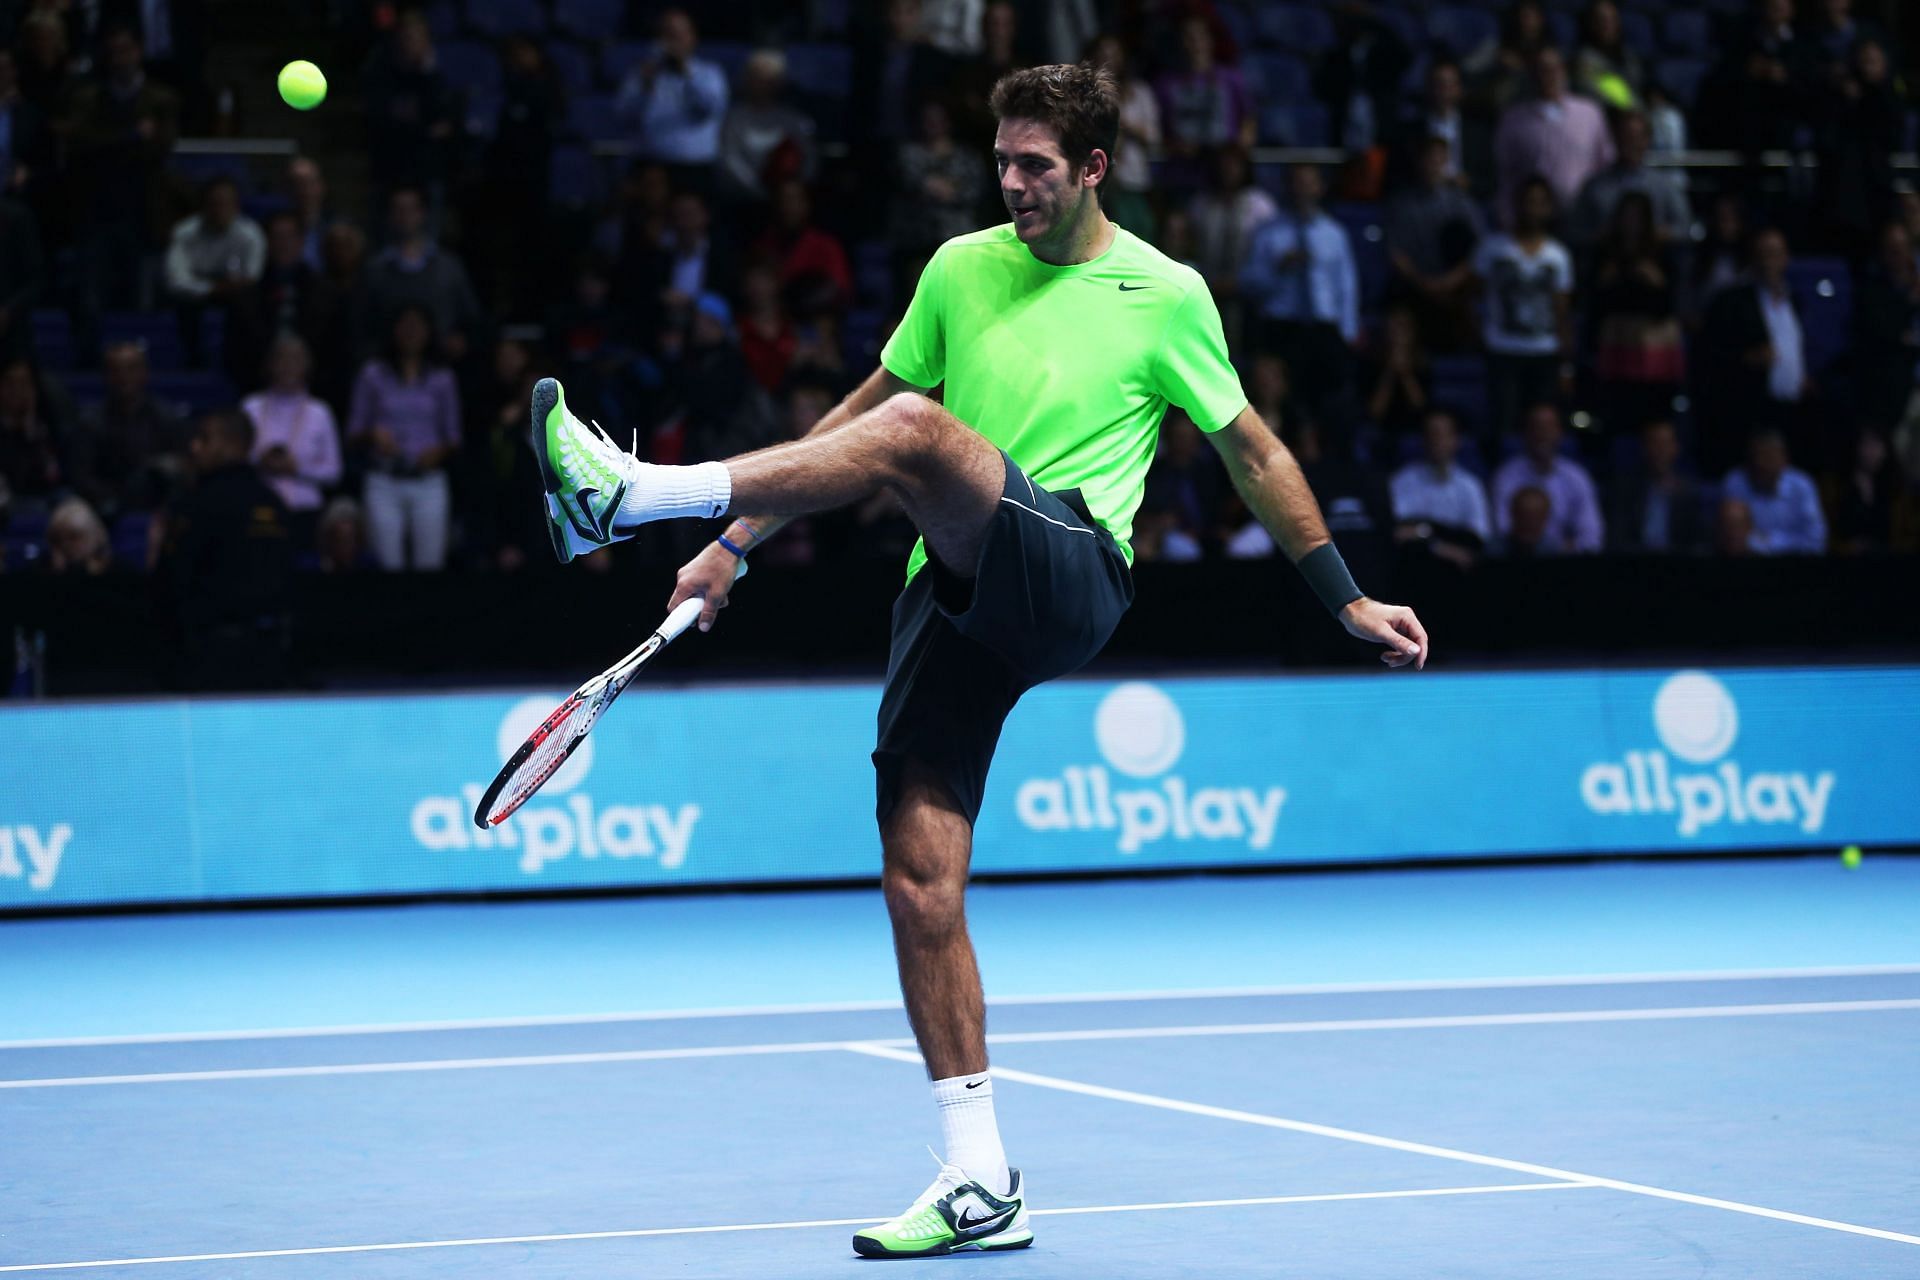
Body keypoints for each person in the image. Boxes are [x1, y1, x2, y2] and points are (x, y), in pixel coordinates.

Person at [522, 62, 1428, 1258]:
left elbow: (1252, 449)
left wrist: (1345, 596)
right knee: (919, 880)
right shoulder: (960, 268)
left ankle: (631, 495)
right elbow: (863, 407)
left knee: (917, 437)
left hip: (1070, 570)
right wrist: (736, 543)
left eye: (1037, 166)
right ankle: (978, 1179)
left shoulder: (1164, 293)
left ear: (1095, 168)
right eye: (1001, 161)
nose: (1012, 184)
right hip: (951, 593)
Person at [156, 412, 292, 690]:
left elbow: (171, 580)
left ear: (235, 445)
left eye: (204, 439)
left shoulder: (195, 505)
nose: (194, 447)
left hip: (208, 658)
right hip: (271, 657)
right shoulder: (274, 502)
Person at [1240, 165, 1360, 435]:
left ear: (1320, 187)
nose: (1303, 189)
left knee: (1329, 397)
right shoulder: (1268, 232)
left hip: (1324, 326)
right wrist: (1277, 270)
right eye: (1298, 183)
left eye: (1310, 183)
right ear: (1288, 187)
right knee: (1281, 397)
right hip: (1282, 325)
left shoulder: (1334, 234)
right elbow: (1249, 281)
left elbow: (1346, 286)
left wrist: (1348, 332)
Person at [347, 305, 460, 571]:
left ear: (429, 332)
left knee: (430, 565)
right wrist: (372, 435)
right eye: (405, 324)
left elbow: (454, 437)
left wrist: (440, 451)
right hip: (384, 480)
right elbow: (352, 433)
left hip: (428, 480)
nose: (411, 332)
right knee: (387, 566)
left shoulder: (442, 378)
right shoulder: (372, 374)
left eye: (417, 325)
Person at [1473, 176, 1575, 441]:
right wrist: (1479, 335)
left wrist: (1565, 365)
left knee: (1542, 427)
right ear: (1518, 205)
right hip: (1502, 349)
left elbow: (1562, 311)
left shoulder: (1558, 255)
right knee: (1503, 426)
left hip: (1544, 351)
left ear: (1549, 208)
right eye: (1529, 201)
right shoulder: (1493, 248)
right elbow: (1471, 295)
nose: (1534, 209)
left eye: (1541, 202)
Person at [1697, 227, 1807, 471]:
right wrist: (1745, 358)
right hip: (1749, 412)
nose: (1769, 261)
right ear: (1753, 259)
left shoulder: (1795, 301)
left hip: (1790, 410)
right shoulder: (1732, 302)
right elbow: (1709, 354)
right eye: (1763, 254)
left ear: (1786, 257)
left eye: (1775, 253)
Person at [1588, 192, 1685, 432]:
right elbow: (1592, 303)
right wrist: (1605, 280)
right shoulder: (1606, 253)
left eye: (1637, 217)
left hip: (1653, 344)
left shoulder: (1662, 254)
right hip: (1617, 343)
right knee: (1617, 412)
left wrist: (1656, 280)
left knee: (1654, 414)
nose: (1632, 223)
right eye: (1627, 216)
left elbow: (1673, 303)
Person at [1385, 135, 1485, 352]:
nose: (1433, 165)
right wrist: (1424, 283)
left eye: (1439, 160)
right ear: (1419, 162)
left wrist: (1449, 282)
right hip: (1415, 289)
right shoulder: (1401, 204)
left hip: (1454, 292)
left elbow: (1479, 251)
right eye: (1429, 159)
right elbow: (1396, 253)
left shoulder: (1462, 203)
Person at [362, 185, 482, 366]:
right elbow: (363, 325)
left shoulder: (449, 267)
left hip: (442, 368)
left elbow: (470, 318)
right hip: (388, 371)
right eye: (399, 209)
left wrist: (461, 340)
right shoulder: (375, 270)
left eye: (411, 209)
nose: (405, 216)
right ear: (390, 215)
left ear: (422, 213)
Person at [67, 340, 187, 517]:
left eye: (131, 369)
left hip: (159, 506)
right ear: (105, 376)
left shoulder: (168, 419)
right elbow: (81, 477)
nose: (124, 377)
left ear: (145, 373)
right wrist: (122, 496)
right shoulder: (89, 424)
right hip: (105, 509)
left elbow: (181, 467)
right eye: (116, 370)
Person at [242, 334, 341, 545]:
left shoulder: (320, 412)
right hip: (258, 510)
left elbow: (334, 472)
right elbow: (235, 460)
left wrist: (297, 468)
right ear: (270, 364)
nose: (288, 366)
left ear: (307, 366)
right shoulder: (251, 407)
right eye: (282, 359)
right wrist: (260, 462)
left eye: (296, 359)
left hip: (304, 510)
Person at [1494, 47, 1615, 220]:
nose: (1549, 75)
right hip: (1533, 218)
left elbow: (1605, 164)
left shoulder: (1590, 112)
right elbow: (1506, 174)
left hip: (1582, 216)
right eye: (1542, 69)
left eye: (1554, 68)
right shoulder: (1513, 119)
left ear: (1563, 70)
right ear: (1532, 74)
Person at [614, 7, 729, 184]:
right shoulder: (642, 74)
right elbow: (625, 117)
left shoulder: (709, 74)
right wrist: (646, 86)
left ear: (692, 38)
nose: (674, 41)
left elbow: (709, 109)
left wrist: (686, 73)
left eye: (679, 34)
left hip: (695, 168)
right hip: (650, 166)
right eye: (668, 34)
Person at [1567, 112, 1691, 251]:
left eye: (1637, 137)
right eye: (1626, 137)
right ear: (1615, 139)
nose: (1631, 143)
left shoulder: (1664, 185)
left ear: (1647, 140)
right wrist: (1598, 236)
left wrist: (1658, 234)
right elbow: (1573, 231)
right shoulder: (1595, 185)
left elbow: (1685, 228)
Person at [1491, 401, 1604, 551]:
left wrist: (1557, 550)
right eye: (1536, 428)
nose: (1542, 435)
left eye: (1548, 428)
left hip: (1565, 560)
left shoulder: (1577, 477)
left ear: (1560, 432)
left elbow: (1592, 535)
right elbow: (1502, 529)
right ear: (1525, 433)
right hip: (1518, 558)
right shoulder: (1506, 476)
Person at [717, 48, 817, 207]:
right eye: (757, 78)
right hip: (742, 200)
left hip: (787, 202)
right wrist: (759, 190)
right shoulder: (734, 118)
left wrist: (795, 190)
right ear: (747, 79)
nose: (763, 85)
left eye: (769, 79)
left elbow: (809, 158)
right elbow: (730, 159)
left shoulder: (795, 119)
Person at [1391, 406, 1491, 555]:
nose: (1436, 440)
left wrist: (1423, 531)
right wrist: (1439, 544)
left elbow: (1478, 537)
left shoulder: (1470, 486)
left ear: (1456, 440)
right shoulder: (1402, 480)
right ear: (1423, 439)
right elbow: (1399, 533)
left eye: (1443, 434)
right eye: (1431, 433)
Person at [1720, 428, 1827, 553]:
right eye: (1756, 456)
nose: (1761, 463)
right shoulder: (1735, 482)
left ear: (1784, 459)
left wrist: (1767, 542)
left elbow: (1816, 541)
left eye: (1768, 457)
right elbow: (1730, 540)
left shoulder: (1801, 486)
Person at [1607, 418, 1704, 552]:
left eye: (1665, 444)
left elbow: (1696, 544)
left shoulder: (1689, 492)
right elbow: (1617, 538)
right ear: (1644, 448)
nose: (1660, 451)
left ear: (1676, 448)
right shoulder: (1625, 489)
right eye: (1654, 443)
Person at [1571, 0, 1646, 107]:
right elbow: (1589, 93)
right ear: (1592, 24)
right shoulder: (1584, 59)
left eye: (1612, 19)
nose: (1607, 25)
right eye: (1602, 20)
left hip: (1631, 112)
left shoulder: (1628, 55)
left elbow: (1637, 84)